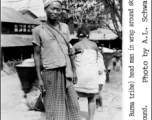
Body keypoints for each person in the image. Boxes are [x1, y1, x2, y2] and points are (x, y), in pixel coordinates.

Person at [32, 0, 81, 120]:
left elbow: (69, 49)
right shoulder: (38, 30)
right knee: (53, 108)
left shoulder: (64, 27)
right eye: (52, 8)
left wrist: (74, 70)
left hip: (66, 71)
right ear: (45, 9)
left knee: (73, 106)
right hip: (50, 73)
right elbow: (37, 55)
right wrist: (39, 78)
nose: (55, 11)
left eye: (58, 9)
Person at [72, 25, 99, 120]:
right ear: (88, 35)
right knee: (91, 98)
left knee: (75, 97)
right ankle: (91, 118)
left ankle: (75, 117)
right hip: (92, 75)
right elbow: (96, 60)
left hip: (80, 74)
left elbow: (72, 62)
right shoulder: (94, 45)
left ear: (79, 36)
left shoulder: (76, 46)